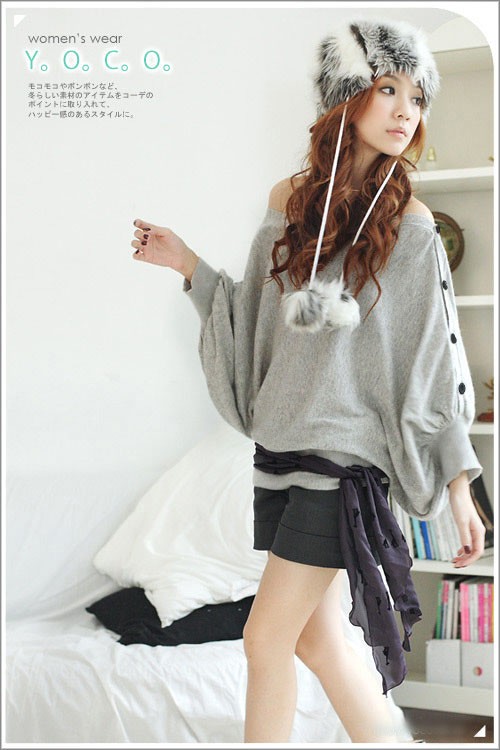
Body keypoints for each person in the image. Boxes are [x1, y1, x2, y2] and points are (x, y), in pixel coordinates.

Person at [130, 17, 486, 744]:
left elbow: (435, 361)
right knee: (314, 642)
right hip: (280, 451)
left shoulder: (413, 225)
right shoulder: (288, 200)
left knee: (263, 639)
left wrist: (460, 486)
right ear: (346, 96)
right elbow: (257, 318)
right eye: (389, 89)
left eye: (418, 98)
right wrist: (187, 264)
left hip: (342, 465)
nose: (406, 111)